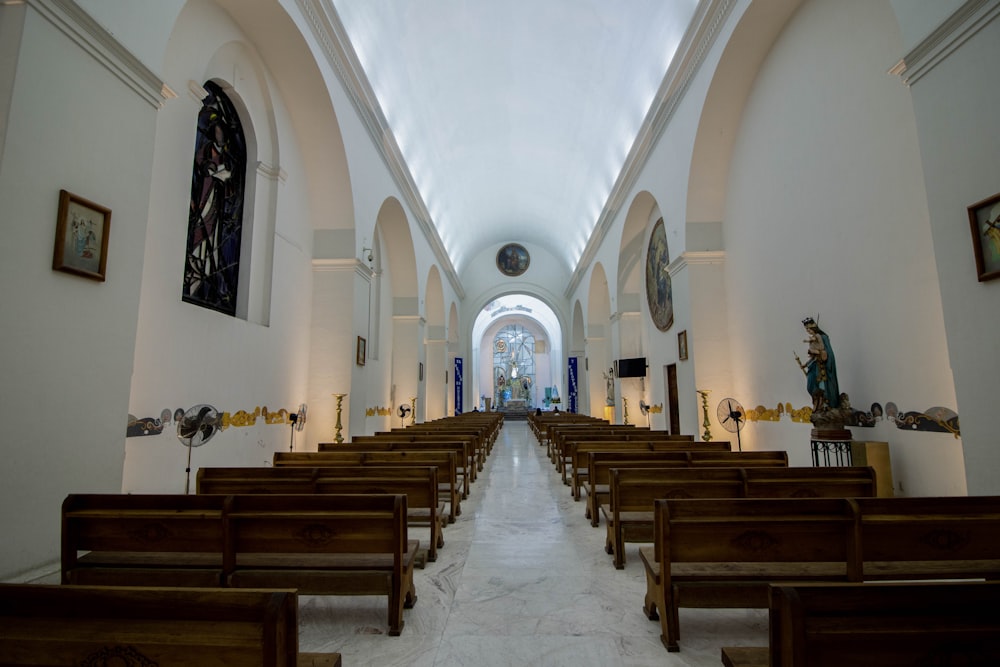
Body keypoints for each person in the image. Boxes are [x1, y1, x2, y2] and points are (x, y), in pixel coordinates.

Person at [796, 317, 839, 413]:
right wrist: (805, 365)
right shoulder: (813, 339)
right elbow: (812, 356)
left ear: (814, 328)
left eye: (809, 329)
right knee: (810, 386)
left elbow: (826, 352)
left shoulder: (821, 337)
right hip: (813, 364)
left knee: (820, 387)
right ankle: (817, 403)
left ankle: (823, 404)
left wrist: (815, 351)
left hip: (820, 367)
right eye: (807, 330)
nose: (808, 331)